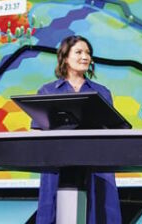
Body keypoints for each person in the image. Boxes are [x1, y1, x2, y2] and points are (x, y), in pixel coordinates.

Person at [34, 35, 121, 224]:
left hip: (95, 164)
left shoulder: (101, 92)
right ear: (65, 57)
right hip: (58, 166)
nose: (85, 57)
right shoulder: (48, 92)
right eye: (79, 52)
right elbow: (37, 132)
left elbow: (111, 130)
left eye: (88, 53)